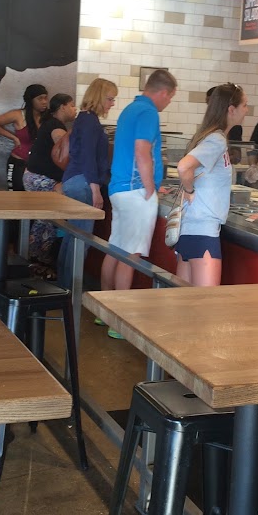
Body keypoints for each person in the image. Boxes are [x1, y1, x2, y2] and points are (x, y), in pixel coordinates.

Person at [101, 69, 177, 337]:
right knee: (130, 255)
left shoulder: (130, 109)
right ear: (163, 92)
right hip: (136, 192)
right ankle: (119, 322)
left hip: (119, 188)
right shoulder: (148, 113)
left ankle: (104, 312)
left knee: (115, 249)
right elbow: (142, 151)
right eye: (170, 97)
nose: (169, 102)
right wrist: (149, 188)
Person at [174, 83, 248, 286]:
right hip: (203, 231)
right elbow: (184, 166)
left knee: (184, 302)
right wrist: (189, 190)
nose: (247, 110)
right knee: (205, 303)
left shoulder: (207, 136)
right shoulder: (217, 140)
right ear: (231, 109)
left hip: (189, 230)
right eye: (244, 105)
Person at [57, 77, 117, 286]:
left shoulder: (83, 118)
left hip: (74, 181)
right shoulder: (90, 121)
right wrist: (95, 190)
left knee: (71, 236)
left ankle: (63, 286)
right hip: (83, 183)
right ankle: (70, 289)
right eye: (109, 99)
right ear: (99, 97)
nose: (112, 103)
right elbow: (88, 157)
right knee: (80, 240)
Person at [24, 93, 78, 276]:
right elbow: (65, 155)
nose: (75, 109)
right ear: (62, 107)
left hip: (34, 176)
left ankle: (35, 262)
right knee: (49, 221)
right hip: (42, 178)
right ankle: (41, 263)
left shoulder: (51, 123)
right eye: (72, 105)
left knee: (43, 220)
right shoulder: (56, 127)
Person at [0, 84, 49, 191]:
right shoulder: (18, 115)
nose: (44, 102)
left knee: (35, 198)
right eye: (40, 98)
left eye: (46, 98)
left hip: (38, 165)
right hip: (18, 163)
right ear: (31, 100)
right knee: (15, 195)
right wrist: (13, 138)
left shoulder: (48, 118)